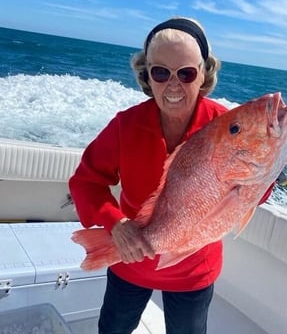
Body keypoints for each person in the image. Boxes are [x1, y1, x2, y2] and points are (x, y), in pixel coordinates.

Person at [69, 17, 273, 334]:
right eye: (160, 72)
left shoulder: (228, 126)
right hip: (129, 258)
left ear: (204, 73)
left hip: (193, 270)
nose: (172, 84)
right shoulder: (125, 125)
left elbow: (251, 193)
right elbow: (86, 182)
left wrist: (269, 166)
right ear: (146, 75)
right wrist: (116, 224)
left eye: (186, 73)